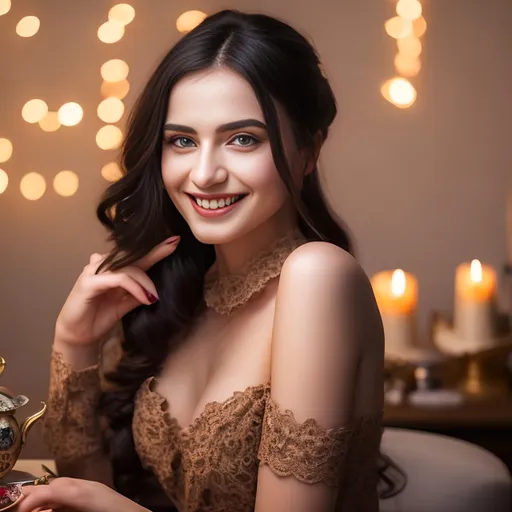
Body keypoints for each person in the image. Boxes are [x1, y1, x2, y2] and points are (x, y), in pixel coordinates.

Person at [18, 9, 390, 512]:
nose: (205, 173)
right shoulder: (183, 291)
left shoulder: (318, 277)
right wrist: (76, 343)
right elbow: (85, 492)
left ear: (308, 151)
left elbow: (101, 505)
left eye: (243, 139)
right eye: (183, 141)